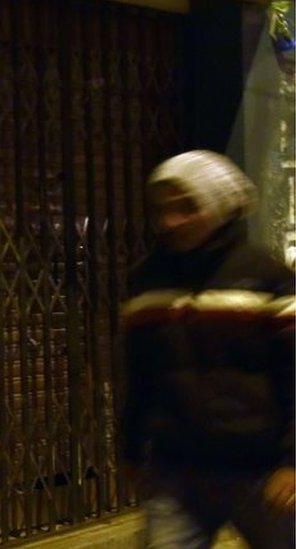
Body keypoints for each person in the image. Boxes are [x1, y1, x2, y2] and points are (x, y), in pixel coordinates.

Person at [121, 150, 295, 548]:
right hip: (176, 469)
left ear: (218, 206)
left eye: (187, 207)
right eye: (163, 209)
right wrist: (131, 449)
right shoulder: (147, 282)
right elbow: (140, 375)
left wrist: (292, 462)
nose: (171, 221)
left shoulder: (266, 277)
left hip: (261, 469)